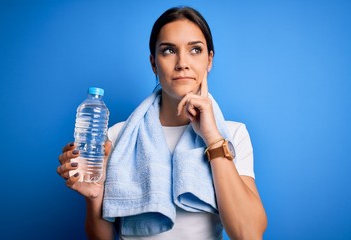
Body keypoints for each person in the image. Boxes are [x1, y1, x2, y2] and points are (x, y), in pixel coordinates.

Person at [57, 6, 267, 240]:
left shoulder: (232, 135)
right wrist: (94, 197)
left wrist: (212, 138)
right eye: (168, 51)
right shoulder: (119, 136)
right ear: (153, 63)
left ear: (209, 60)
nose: (182, 63)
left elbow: (248, 234)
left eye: (195, 50)